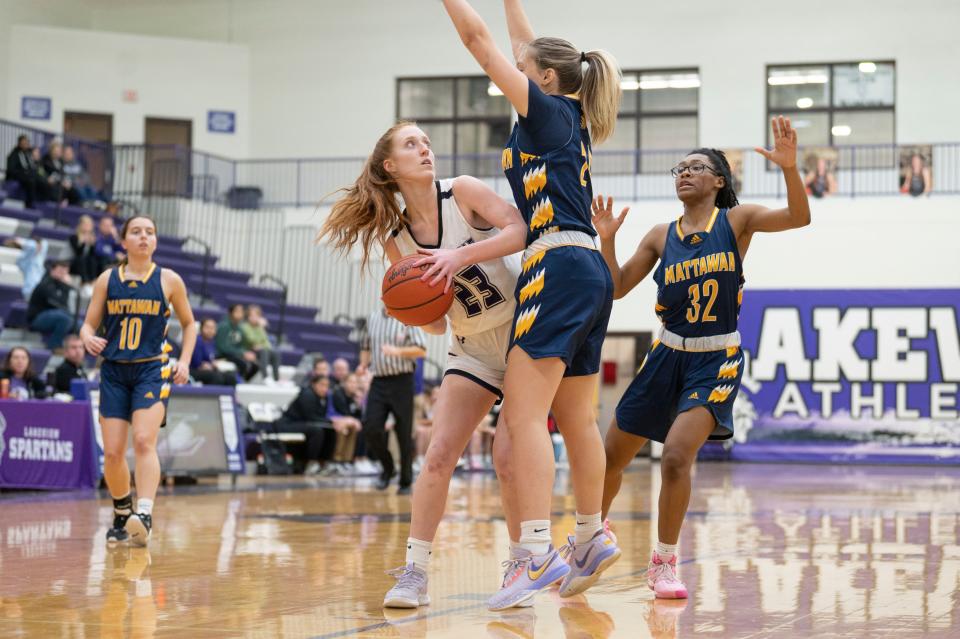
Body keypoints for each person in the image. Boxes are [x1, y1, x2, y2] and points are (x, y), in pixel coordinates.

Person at [431, 0, 624, 608]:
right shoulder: (568, 111)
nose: (516, 62)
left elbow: (479, 40)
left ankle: (535, 552)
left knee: (521, 415)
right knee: (577, 418)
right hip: (588, 266)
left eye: (526, 64)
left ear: (543, 79)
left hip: (556, 265)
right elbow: (520, 39)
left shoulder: (543, 112)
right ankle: (591, 534)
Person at [596, 117, 811, 599]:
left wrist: (790, 170)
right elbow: (614, 288)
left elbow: (799, 218)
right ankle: (593, 534)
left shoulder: (737, 222)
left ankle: (664, 562)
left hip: (716, 358)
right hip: (666, 353)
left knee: (674, 457)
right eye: (680, 167)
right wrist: (606, 240)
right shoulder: (659, 234)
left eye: (697, 167)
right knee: (609, 458)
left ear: (719, 181)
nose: (685, 173)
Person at [318, 117, 528, 608]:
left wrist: (457, 259)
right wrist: (412, 306)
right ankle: (415, 571)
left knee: (507, 457)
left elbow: (521, 229)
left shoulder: (464, 192)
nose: (426, 149)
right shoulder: (397, 237)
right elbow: (434, 326)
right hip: (470, 345)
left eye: (427, 142)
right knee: (436, 456)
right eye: (412, 144)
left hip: (522, 333)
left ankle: (522, 566)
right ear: (391, 165)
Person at [80, 215, 197, 547]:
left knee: (145, 441)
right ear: (124, 242)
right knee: (114, 453)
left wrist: (185, 361)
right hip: (115, 371)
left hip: (152, 369)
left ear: (155, 242)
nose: (144, 237)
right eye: (136, 232)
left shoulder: (169, 280)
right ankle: (121, 512)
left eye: (149, 232)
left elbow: (190, 324)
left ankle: (144, 513)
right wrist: (88, 338)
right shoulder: (107, 280)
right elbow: (88, 325)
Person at [276, 373, 337, 475]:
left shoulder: (324, 398)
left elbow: (320, 418)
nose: (325, 388)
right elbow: (311, 417)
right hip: (289, 424)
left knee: (331, 430)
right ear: (313, 384)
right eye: (322, 385)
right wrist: (332, 422)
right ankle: (310, 463)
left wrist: (332, 423)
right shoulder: (307, 395)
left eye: (327, 386)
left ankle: (325, 463)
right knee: (317, 431)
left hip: (304, 423)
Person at [27, 259, 79, 351]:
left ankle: (76, 350)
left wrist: (67, 287)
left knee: (80, 325)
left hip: (57, 315)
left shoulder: (62, 285)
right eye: (60, 271)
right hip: (37, 317)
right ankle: (54, 347)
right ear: (52, 270)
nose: (63, 274)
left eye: (65, 272)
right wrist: (66, 286)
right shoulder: (45, 283)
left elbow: (66, 304)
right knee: (65, 318)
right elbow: (55, 302)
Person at [330, 372, 364, 472]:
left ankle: (347, 460)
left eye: (355, 382)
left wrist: (358, 405)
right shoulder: (338, 393)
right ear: (344, 382)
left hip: (347, 422)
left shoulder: (354, 397)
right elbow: (343, 412)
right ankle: (337, 460)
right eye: (350, 382)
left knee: (354, 427)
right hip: (333, 418)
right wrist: (353, 420)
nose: (353, 385)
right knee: (344, 428)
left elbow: (358, 416)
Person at [215, 304, 259, 381]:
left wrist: (246, 353)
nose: (240, 313)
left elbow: (241, 346)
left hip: (236, 355)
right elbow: (222, 347)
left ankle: (243, 381)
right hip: (223, 355)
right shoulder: (224, 326)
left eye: (241, 311)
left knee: (255, 365)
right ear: (230, 313)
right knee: (242, 364)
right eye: (237, 311)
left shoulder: (240, 328)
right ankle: (237, 382)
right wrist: (242, 353)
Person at [190, 318, 237, 386]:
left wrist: (215, 363)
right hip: (194, 370)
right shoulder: (197, 340)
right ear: (201, 328)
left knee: (230, 377)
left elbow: (211, 358)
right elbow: (198, 364)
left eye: (213, 328)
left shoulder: (212, 342)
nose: (210, 330)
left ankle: (229, 396)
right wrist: (211, 365)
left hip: (209, 368)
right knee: (217, 377)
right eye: (208, 327)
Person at [241, 304, 280, 381]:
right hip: (248, 350)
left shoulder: (259, 327)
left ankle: (276, 379)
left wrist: (261, 329)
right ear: (248, 316)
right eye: (252, 316)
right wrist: (260, 344)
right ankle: (265, 377)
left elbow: (265, 341)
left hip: (259, 350)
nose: (254, 318)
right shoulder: (244, 326)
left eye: (257, 316)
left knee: (275, 352)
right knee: (264, 351)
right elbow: (251, 340)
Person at [5, 135, 40, 208]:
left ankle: (40, 202)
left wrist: (36, 161)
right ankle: (29, 204)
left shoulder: (29, 153)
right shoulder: (14, 154)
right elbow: (11, 169)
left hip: (29, 175)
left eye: (27, 143)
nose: (25, 144)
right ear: (19, 143)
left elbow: (34, 166)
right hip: (18, 175)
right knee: (30, 181)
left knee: (40, 180)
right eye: (23, 143)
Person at [70, 215, 102, 284]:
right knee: (81, 259)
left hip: (85, 263)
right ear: (80, 225)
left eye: (89, 224)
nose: (87, 226)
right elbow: (78, 253)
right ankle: (85, 281)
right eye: (85, 224)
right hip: (72, 261)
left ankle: (93, 280)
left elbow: (92, 254)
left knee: (93, 260)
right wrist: (83, 242)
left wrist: (92, 244)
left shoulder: (92, 237)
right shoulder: (74, 237)